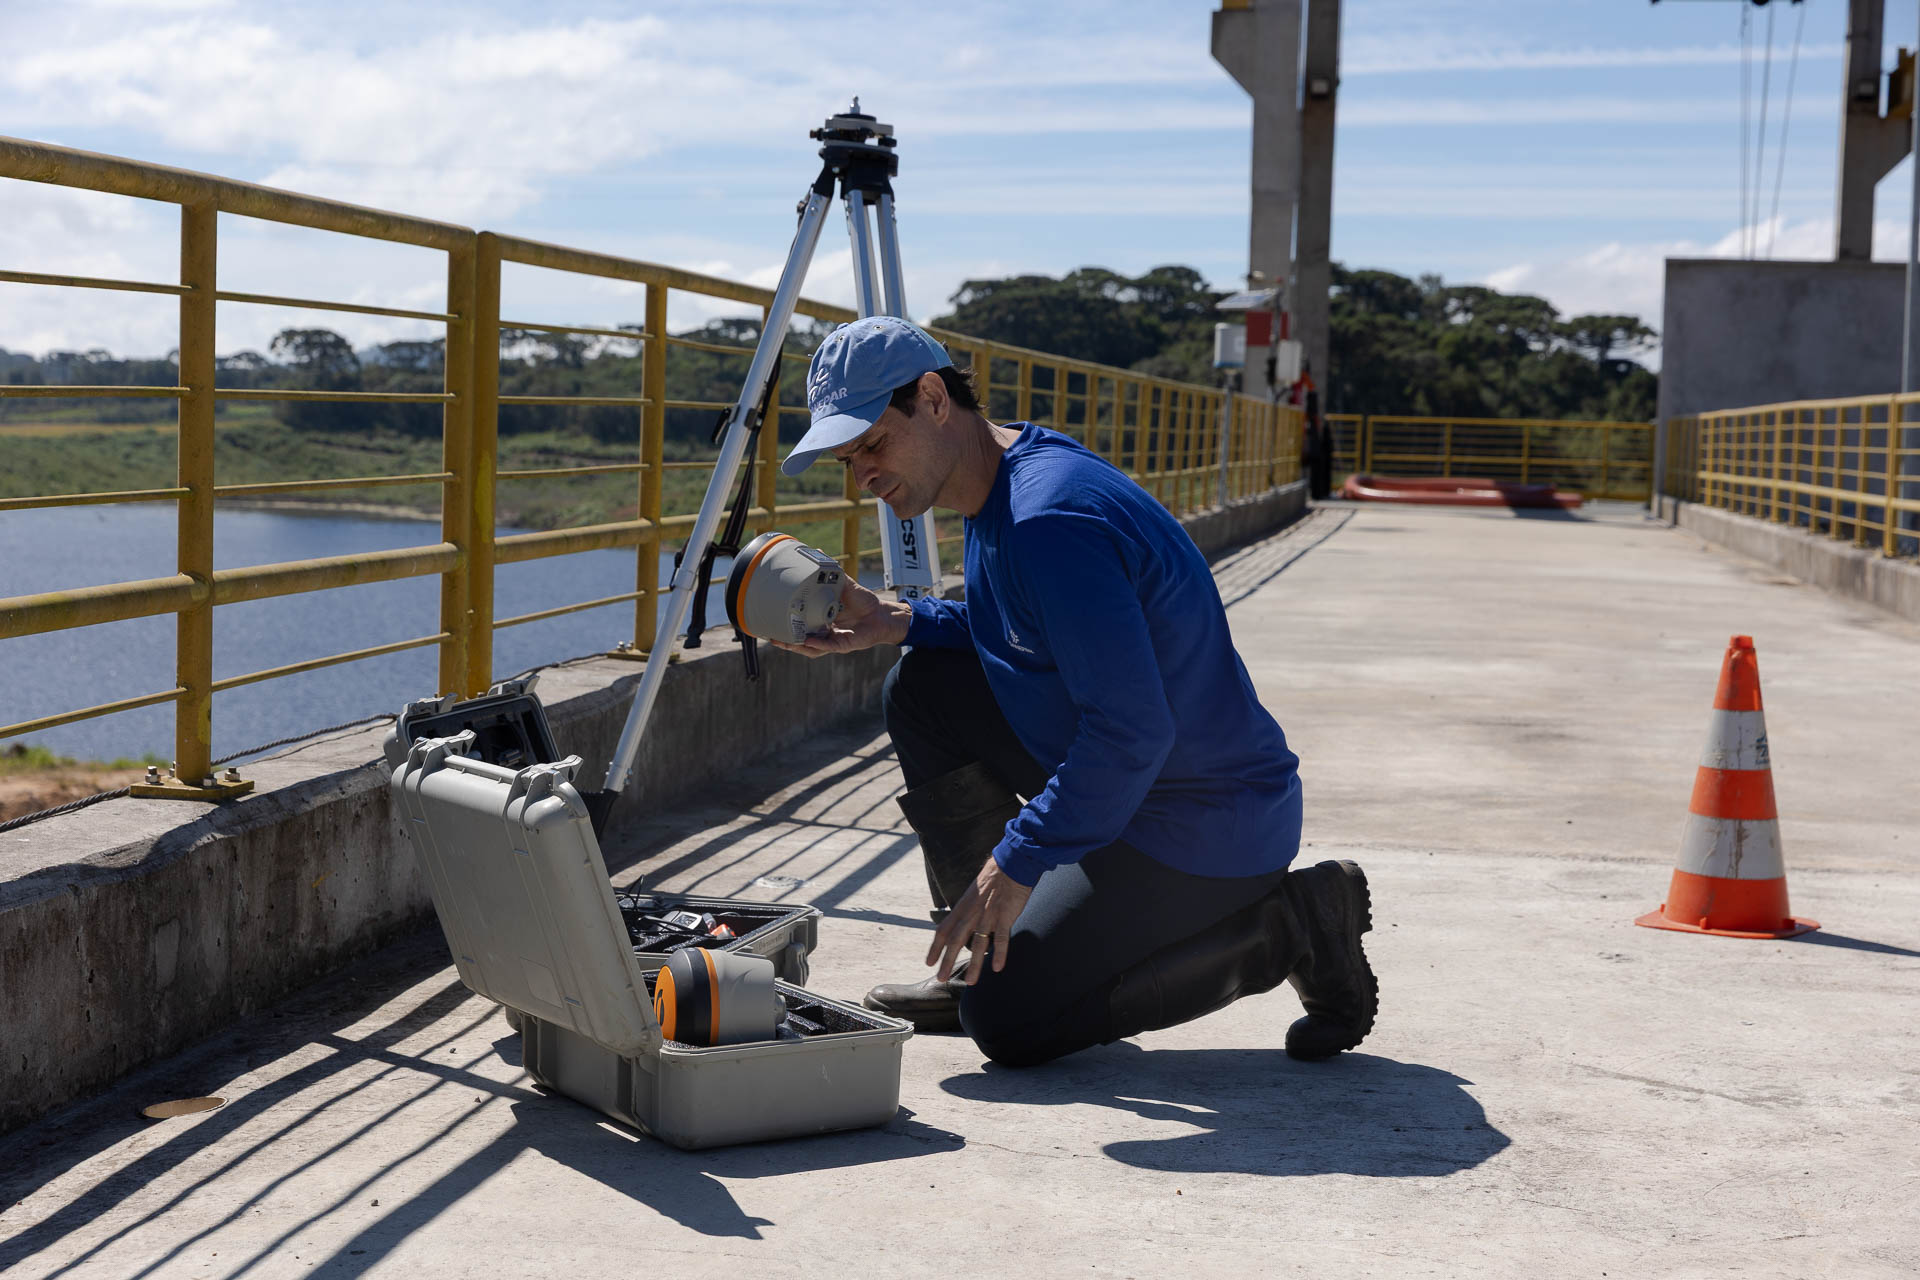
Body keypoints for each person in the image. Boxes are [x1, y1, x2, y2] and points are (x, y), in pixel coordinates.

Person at [772, 314, 1377, 1066]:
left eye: (871, 444)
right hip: (1132, 788)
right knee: (922, 683)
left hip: (1202, 823)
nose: (860, 473)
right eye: (846, 457)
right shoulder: (1005, 472)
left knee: (1010, 1024)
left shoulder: (1049, 520)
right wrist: (899, 620)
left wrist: (1019, 857)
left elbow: (1130, 735)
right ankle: (980, 949)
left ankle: (1291, 925)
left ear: (931, 398)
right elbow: (1030, 632)